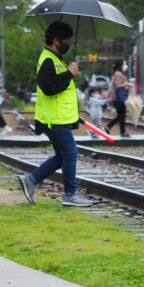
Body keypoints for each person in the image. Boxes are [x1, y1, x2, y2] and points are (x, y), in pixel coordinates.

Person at [17, 22, 92, 207]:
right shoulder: (48, 60)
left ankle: (31, 180)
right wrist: (69, 73)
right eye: (65, 40)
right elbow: (49, 88)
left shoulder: (55, 59)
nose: (67, 43)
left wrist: (68, 71)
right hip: (53, 118)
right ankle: (70, 194)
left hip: (59, 118)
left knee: (62, 156)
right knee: (71, 153)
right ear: (56, 40)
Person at [105, 59, 132, 137]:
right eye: (124, 64)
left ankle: (120, 131)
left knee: (121, 115)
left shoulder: (117, 73)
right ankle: (109, 127)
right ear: (120, 65)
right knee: (121, 115)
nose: (125, 65)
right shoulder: (118, 74)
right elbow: (117, 86)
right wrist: (126, 84)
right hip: (119, 97)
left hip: (118, 97)